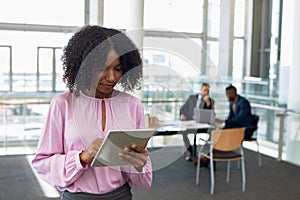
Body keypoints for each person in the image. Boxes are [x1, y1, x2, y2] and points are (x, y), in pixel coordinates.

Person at [31, 25, 152, 200]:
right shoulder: (62, 104)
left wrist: (140, 164)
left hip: (121, 195)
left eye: (117, 69)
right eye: (102, 68)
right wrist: (82, 157)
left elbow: (139, 170)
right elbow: (42, 163)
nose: (111, 77)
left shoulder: (133, 105)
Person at [179, 83, 214, 162]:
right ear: (200, 90)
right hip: (190, 121)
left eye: (208, 91)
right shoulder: (192, 98)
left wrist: (208, 104)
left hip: (202, 124)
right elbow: (183, 108)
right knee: (184, 133)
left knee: (212, 133)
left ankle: (204, 154)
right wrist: (182, 114)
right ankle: (191, 153)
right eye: (205, 90)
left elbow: (211, 115)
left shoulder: (210, 101)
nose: (206, 92)